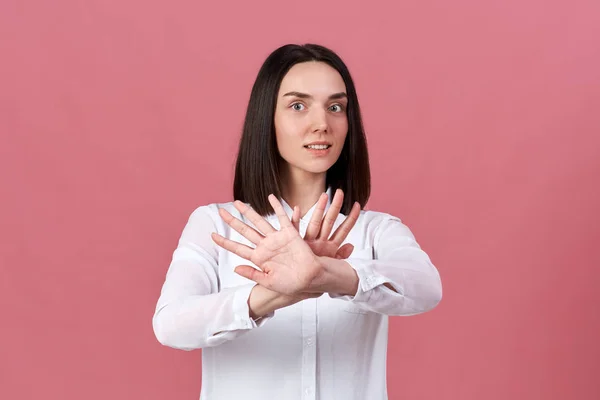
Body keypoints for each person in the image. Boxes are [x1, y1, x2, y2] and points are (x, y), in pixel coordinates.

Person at [152, 43, 443, 400]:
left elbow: (426, 287)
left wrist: (326, 275)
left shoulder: (377, 230)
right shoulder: (216, 224)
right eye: (298, 105)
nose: (322, 124)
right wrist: (273, 293)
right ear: (267, 119)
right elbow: (170, 325)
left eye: (336, 107)